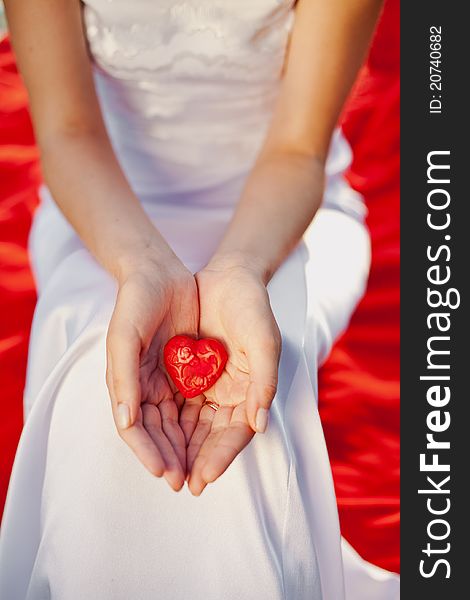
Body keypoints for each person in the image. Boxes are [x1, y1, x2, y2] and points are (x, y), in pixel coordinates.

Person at [0, 0, 398, 598]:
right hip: (106, 213)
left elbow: (297, 148)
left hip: (281, 219)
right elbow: (68, 132)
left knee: (257, 406)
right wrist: (141, 266)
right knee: (100, 390)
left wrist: (241, 270)